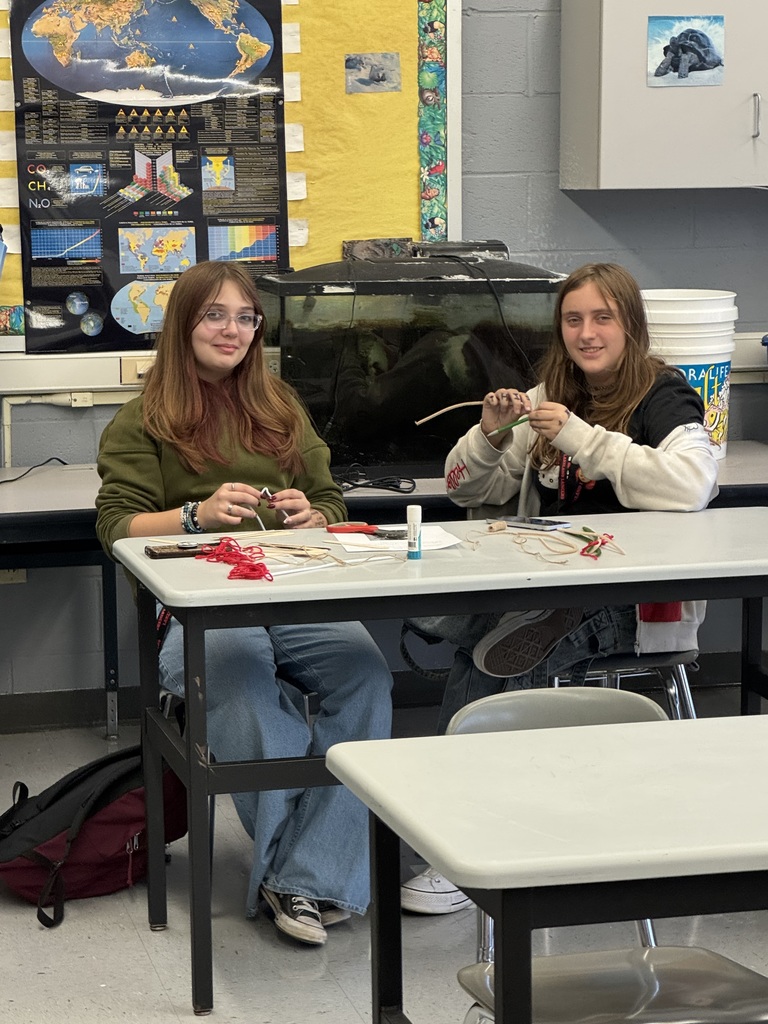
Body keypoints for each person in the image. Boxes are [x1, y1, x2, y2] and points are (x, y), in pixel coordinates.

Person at [400, 262, 719, 915]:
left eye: (602, 317)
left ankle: (474, 848)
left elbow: (692, 483)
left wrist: (579, 435)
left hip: (639, 605)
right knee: (477, 641)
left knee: (496, 650)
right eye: (573, 319)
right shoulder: (554, 390)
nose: (587, 332)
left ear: (629, 323)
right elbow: (464, 486)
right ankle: (455, 825)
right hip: (552, 586)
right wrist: (489, 435)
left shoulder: (664, 394)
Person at [95, 261, 393, 946]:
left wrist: (310, 515)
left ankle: (302, 876)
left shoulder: (278, 403)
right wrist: (194, 517)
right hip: (199, 601)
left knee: (367, 676)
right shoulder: (142, 420)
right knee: (240, 682)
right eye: (215, 315)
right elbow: (116, 526)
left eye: (246, 317)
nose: (232, 330)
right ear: (183, 324)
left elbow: (329, 499)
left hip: (290, 585)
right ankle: (310, 875)